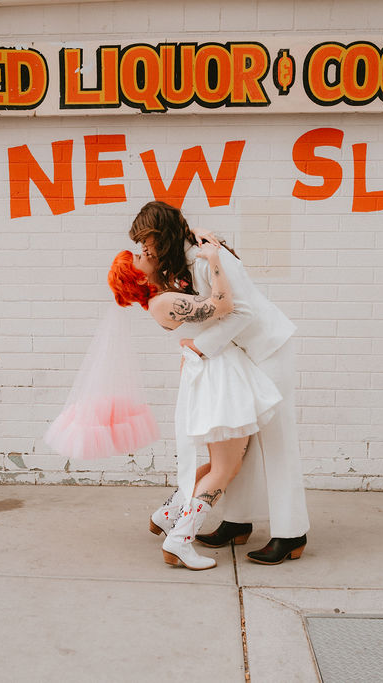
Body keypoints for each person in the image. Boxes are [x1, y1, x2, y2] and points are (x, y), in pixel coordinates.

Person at [130, 201, 310, 565]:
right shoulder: (189, 259)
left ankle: (291, 533)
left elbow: (240, 311)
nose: (144, 250)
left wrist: (200, 347)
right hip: (242, 354)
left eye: (147, 242)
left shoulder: (202, 257)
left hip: (268, 349)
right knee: (237, 443)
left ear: (161, 234)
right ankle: (236, 522)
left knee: (276, 443)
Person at [108, 244, 282, 571]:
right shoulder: (165, 302)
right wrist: (214, 260)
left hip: (217, 371)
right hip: (219, 375)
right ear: (140, 279)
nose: (144, 252)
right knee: (224, 469)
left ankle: (170, 514)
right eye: (139, 258)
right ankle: (180, 539)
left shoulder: (166, 294)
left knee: (225, 461)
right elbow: (224, 305)